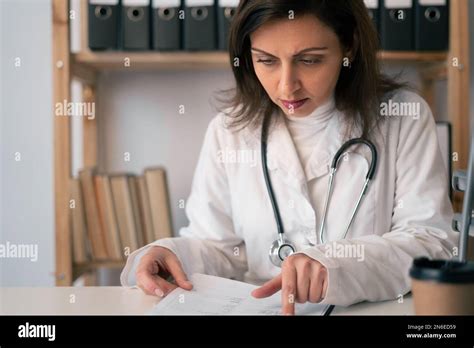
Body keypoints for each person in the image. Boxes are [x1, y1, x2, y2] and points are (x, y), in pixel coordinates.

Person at [120, 0, 456, 314]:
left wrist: (336, 264)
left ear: (349, 46)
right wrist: (172, 255)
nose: (286, 87)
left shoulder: (402, 117)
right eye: (266, 60)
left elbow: (431, 244)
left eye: (309, 60)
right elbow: (219, 247)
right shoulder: (229, 130)